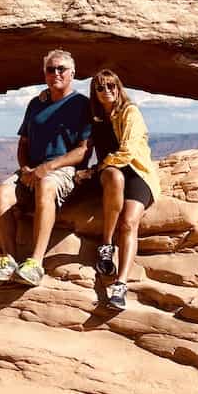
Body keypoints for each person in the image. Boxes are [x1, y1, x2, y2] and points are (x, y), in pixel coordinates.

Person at [0, 49, 91, 287]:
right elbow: (24, 143)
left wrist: (48, 167)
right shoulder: (36, 103)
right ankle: (9, 259)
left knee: (46, 184)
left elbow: (84, 150)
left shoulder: (82, 105)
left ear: (72, 73)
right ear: (44, 74)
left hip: (62, 169)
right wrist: (24, 169)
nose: (56, 73)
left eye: (61, 69)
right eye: (50, 69)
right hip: (31, 170)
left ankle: (35, 263)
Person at [81, 66, 160, 310]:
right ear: (94, 92)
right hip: (111, 173)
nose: (106, 91)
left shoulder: (130, 112)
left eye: (111, 86)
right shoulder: (94, 116)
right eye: (100, 87)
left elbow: (127, 152)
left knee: (128, 224)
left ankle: (120, 285)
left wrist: (96, 168)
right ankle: (106, 245)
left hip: (136, 172)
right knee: (113, 176)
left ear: (119, 88)